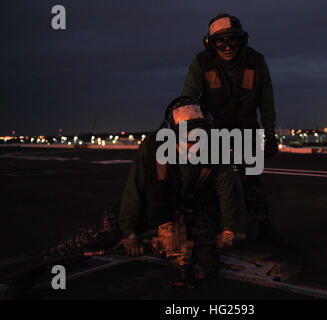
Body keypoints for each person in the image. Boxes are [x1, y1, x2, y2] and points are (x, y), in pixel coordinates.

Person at [45, 96, 243, 285]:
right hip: (155, 200)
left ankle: (180, 239)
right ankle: (53, 259)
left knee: (205, 269)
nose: (195, 141)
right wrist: (129, 233)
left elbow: (226, 190)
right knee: (99, 236)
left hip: (194, 206)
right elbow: (134, 189)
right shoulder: (153, 147)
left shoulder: (217, 149)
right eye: (187, 135)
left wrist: (228, 229)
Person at [181, 13, 287, 246]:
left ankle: (264, 226)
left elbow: (266, 100)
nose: (228, 46)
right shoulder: (201, 63)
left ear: (243, 40)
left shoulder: (256, 61)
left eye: (233, 40)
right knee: (213, 180)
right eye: (221, 41)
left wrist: (270, 134)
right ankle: (216, 226)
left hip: (246, 129)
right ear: (210, 43)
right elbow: (188, 99)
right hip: (214, 131)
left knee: (252, 180)